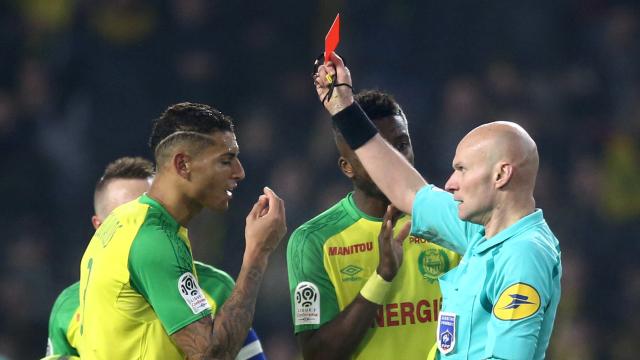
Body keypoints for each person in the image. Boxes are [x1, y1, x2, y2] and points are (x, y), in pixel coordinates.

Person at [312, 54, 562, 360]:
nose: (450, 183)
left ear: (501, 174)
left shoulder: (523, 253)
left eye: (462, 170)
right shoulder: (480, 233)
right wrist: (343, 108)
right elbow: (408, 189)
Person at [77, 103, 286, 359]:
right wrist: (257, 252)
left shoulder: (125, 221)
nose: (239, 172)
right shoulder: (153, 239)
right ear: (183, 164)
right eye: (226, 160)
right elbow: (210, 355)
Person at [287, 90, 460, 359]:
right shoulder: (314, 240)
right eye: (377, 152)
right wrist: (381, 277)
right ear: (347, 167)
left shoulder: (450, 219)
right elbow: (317, 354)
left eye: (401, 145)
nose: (395, 160)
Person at [45, 157, 266, 360]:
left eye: (151, 214)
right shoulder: (69, 305)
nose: (142, 227)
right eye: (126, 218)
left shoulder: (216, 289)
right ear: (100, 228)